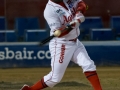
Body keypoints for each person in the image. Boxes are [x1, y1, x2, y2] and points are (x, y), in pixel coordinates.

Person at [20, 0, 102, 90]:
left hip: (75, 41)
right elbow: (59, 33)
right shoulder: (49, 10)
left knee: (88, 64)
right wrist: (75, 23)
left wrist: (79, 12)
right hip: (62, 43)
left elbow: (81, 3)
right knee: (54, 78)